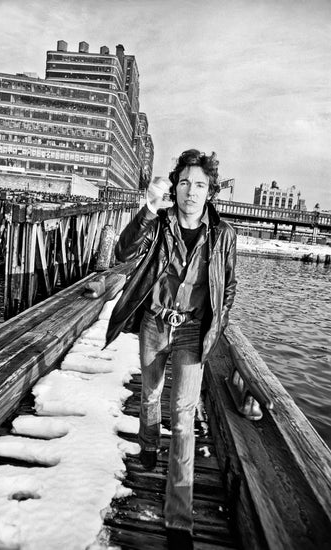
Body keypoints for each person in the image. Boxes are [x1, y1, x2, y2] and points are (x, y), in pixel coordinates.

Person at [105, 149, 237, 550]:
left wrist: (217, 327)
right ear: (175, 188)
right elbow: (123, 253)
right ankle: (147, 442)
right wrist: (147, 208)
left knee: (182, 420)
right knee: (149, 396)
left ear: (210, 191)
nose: (191, 191)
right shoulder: (159, 222)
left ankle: (179, 519)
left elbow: (228, 288)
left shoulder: (223, 234)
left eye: (199, 184)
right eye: (184, 183)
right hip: (153, 324)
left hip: (191, 332)